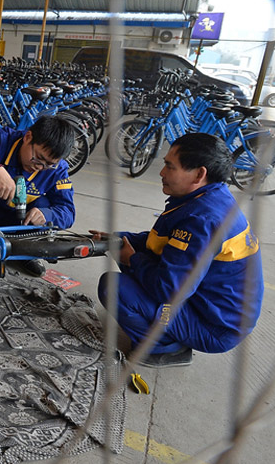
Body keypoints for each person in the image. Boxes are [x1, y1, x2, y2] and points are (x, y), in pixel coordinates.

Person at [92, 132, 263, 368]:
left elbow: (169, 290)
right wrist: (120, 239)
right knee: (125, 250)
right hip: (207, 305)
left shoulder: (203, 220)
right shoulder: (208, 196)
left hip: (215, 327)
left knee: (113, 287)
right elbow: (167, 244)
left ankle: (167, 348)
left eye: (170, 167)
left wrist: (133, 260)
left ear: (199, 174)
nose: (162, 172)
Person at [0, 115, 76, 276]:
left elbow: (68, 211)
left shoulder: (58, 170)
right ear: (28, 137)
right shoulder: (2, 139)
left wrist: (47, 214)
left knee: (43, 204)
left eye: (49, 164)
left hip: (18, 222)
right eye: (39, 158)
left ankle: (24, 253)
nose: (40, 167)